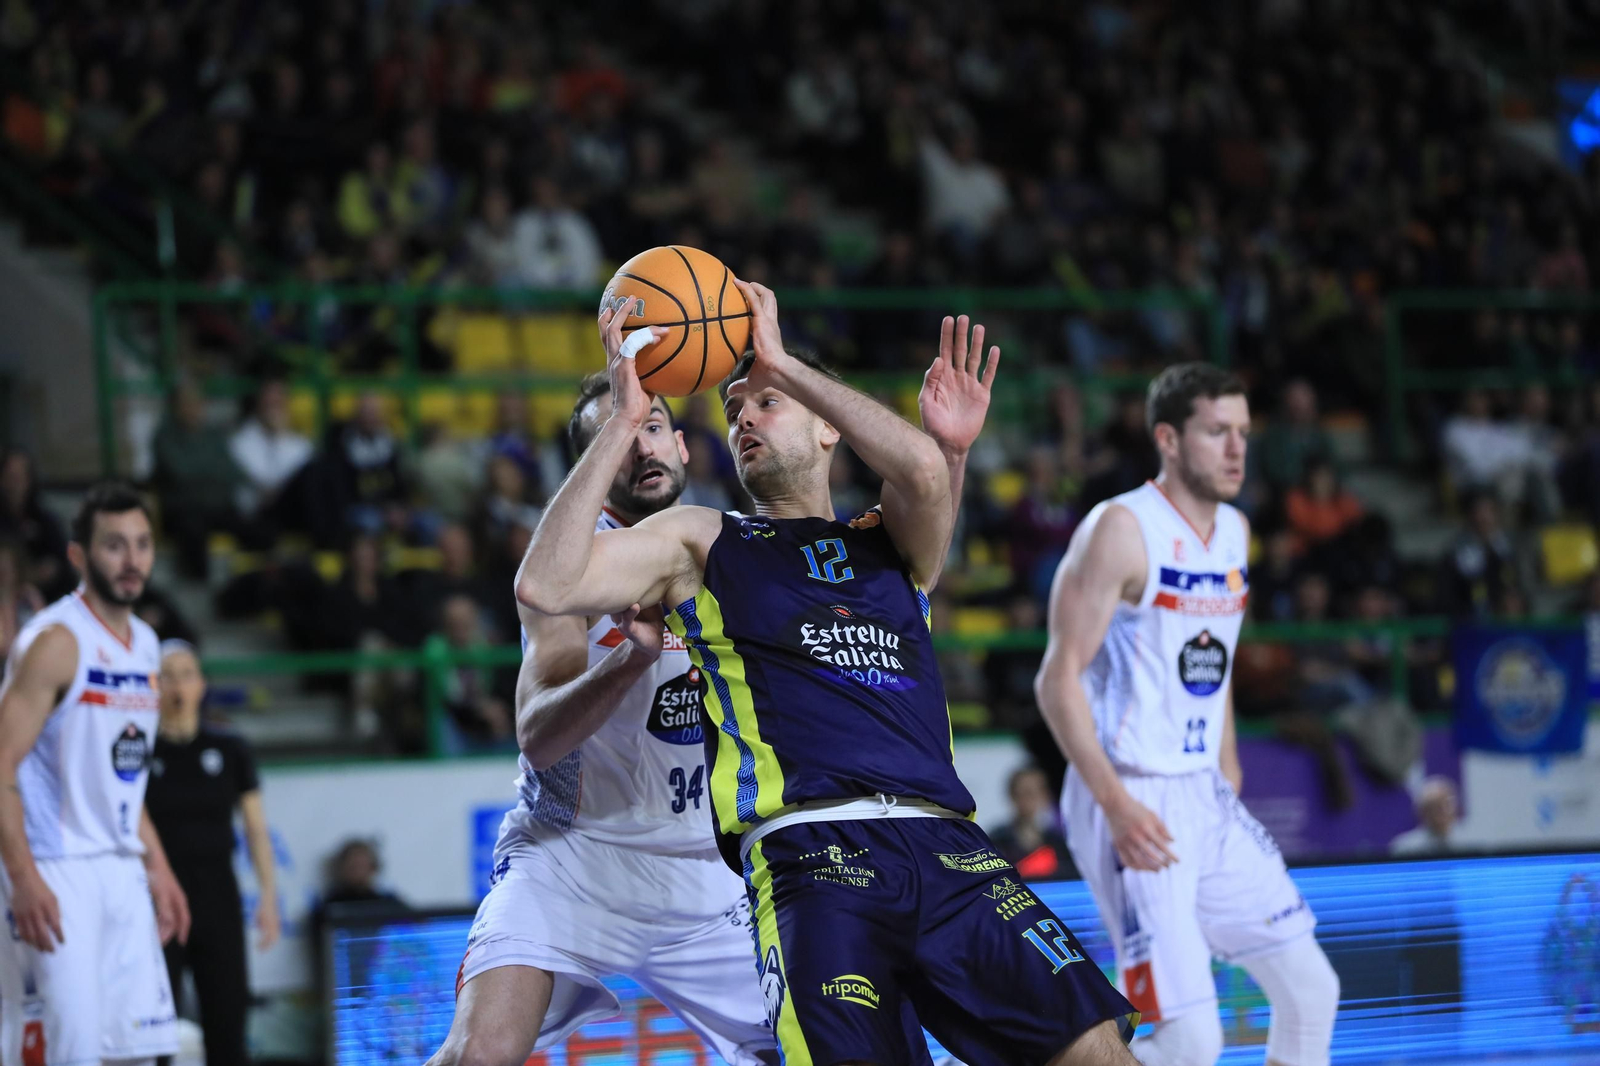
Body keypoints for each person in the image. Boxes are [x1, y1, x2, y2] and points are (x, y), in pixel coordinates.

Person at [515, 289, 1137, 1066]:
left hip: (948, 846)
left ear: (825, 422)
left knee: (1101, 1051)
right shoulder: (700, 540)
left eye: (764, 402)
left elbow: (922, 468)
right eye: (732, 408)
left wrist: (784, 363)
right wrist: (621, 419)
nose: (741, 417)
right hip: (813, 854)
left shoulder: (889, 540)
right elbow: (546, 585)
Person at [1035, 364, 1340, 1066]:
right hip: (1129, 790)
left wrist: (1225, 761)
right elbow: (1057, 680)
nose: (1237, 449)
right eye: (1217, 432)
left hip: (1201, 789)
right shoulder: (1120, 529)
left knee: (1311, 989)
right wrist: (1114, 805)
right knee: (1190, 1038)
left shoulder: (1234, 530)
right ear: (1168, 439)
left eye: (1243, 433)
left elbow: (1213, 656)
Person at [0, 483, 191, 1065]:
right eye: (114, 545)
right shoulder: (56, 642)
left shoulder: (148, 645)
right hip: (57, 869)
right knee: (71, 1051)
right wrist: (24, 878)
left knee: (136, 1051)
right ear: (79, 556)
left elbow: (124, 787)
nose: (132, 560)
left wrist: (158, 867)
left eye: (141, 544)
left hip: (120, 868)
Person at [146, 640, 280, 1066]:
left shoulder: (230, 748)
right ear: (154, 684)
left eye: (187, 673)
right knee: (154, 1031)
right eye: (168, 674)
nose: (178, 684)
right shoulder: (138, 748)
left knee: (227, 1025)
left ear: (201, 684)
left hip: (217, 896)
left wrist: (269, 898)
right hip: (156, 901)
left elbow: (256, 830)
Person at [988, 765, 1077, 880]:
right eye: (1026, 793)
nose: (1032, 800)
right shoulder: (997, 840)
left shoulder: (1058, 842)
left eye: (1038, 792)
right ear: (1013, 796)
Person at [1389, 777, 1460, 856]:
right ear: (1423, 812)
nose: (1443, 811)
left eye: (1447, 804)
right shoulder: (1406, 848)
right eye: (1436, 807)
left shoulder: (1468, 842)